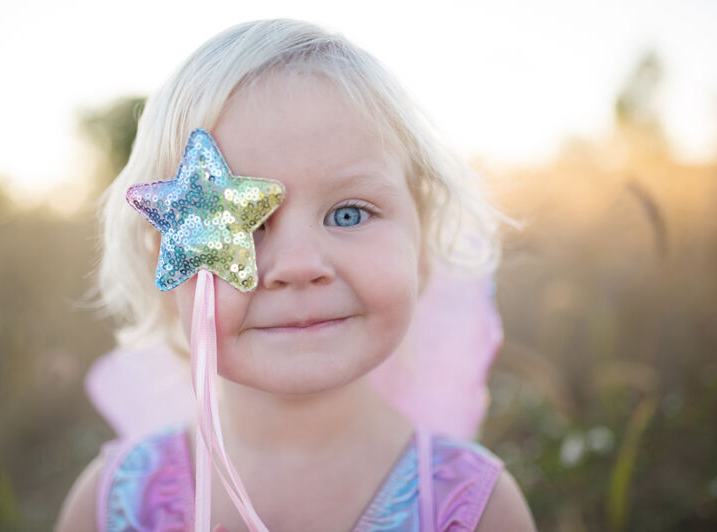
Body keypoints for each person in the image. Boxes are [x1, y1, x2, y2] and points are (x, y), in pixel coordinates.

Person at [57, 19, 535, 532]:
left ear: (420, 248)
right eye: (248, 224)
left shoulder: (473, 509)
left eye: (349, 214)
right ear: (169, 267)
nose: (300, 265)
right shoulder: (112, 506)